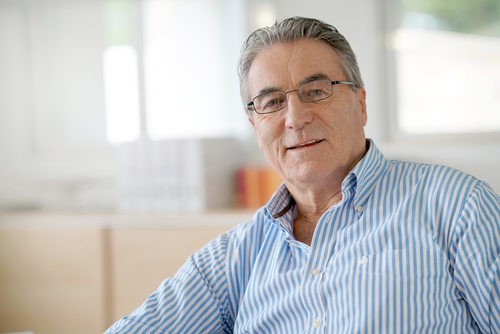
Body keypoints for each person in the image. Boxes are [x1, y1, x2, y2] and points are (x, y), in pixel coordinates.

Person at [104, 17, 500, 333]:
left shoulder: (458, 207)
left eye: (316, 91)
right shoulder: (233, 260)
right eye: (272, 102)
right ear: (256, 128)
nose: (294, 118)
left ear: (360, 104)